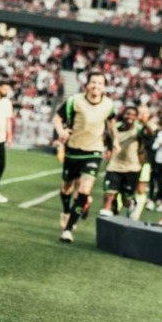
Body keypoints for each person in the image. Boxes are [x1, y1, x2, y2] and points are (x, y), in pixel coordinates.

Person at [53, 71, 118, 243]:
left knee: (84, 190)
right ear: (87, 85)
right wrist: (60, 132)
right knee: (67, 188)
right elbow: (57, 118)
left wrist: (114, 142)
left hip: (94, 151)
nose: (96, 86)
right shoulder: (75, 101)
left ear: (104, 87)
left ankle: (68, 229)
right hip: (73, 149)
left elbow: (111, 124)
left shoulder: (109, 104)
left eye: (100, 83)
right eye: (93, 82)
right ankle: (66, 211)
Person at [98, 106, 146, 218]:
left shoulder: (138, 129)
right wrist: (108, 150)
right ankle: (106, 219)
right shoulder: (116, 127)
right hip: (114, 166)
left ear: (136, 117)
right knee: (109, 194)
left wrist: (145, 122)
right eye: (128, 114)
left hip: (131, 168)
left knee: (126, 200)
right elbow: (108, 139)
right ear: (123, 115)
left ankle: (132, 204)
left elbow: (150, 135)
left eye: (133, 115)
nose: (130, 117)